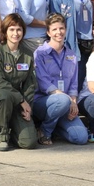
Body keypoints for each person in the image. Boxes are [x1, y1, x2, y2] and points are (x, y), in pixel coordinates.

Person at [0, 13, 39, 151]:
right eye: (11, 29)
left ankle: (13, 132)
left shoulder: (28, 54)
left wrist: (27, 106)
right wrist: (21, 100)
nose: (15, 33)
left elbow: (30, 83)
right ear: (5, 32)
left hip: (17, 103)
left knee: (29, 142)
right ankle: (2, 135)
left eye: (19, 29)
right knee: (3, 95)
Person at [33, 14, 88, 145]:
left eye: (61, 28)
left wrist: (73, 101)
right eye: (54, 29)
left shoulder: (71, 54)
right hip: (44, 102)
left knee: (81, 138)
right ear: (48, 32)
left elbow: (74, 83)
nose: (59, 32)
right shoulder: (40, 53)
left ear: (66, 29)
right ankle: (45, 132)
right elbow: (43, 83)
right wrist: (68, 100)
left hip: (66, 103)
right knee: (62, 100)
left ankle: (55, 129)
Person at [48, 0, 94, 85]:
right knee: (72, 82)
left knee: (84, 80)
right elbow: (54, 23)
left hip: (87, 42)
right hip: (71, 43)